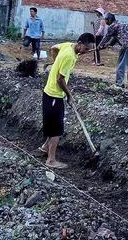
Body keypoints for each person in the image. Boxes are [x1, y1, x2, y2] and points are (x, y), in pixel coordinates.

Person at [38, 32, 95, 169]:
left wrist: (55, 63)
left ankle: (45, 147)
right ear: (80, 43)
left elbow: (53, 48)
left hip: (50, 93)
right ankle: (51, 160)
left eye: (89, 50)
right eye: (86, 49)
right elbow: (60, 79)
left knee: (53, 126)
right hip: (54, 95)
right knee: (57, 130)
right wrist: (69, 95)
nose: (86, 52)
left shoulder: (68, 46)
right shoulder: (69, 56)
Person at [98, 13, 128, 89]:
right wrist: (109, 44)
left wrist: (99, 46)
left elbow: (107, 37)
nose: (105, 22)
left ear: (109, 20)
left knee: (121, 64)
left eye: (106, 20)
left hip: (127, 45)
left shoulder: (112, 26)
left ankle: (119, 84)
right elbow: (115, 37)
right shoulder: (121, 23)